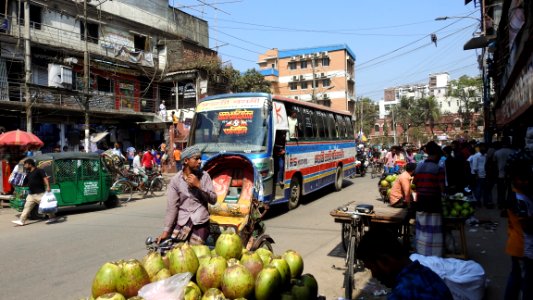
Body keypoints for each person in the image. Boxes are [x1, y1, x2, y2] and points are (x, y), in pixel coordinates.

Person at [356, 228, 453, 300]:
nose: (374, 275)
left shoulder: (403, 293)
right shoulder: (428, 274)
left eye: (372, 268)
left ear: (385, 260)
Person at [158, 146, 217, 245]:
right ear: (186, 160)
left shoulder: (204, 176)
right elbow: (172, 208)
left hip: (200, 223)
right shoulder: (175, 181)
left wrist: (199, 185)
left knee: (195, 253)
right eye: (196, 158)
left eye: (200, 158)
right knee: (173, 251)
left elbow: (213, 200)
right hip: (182, 222)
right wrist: (166, 231)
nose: (199, 161)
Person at [504, 156, 533, 300]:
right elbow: (527, 226)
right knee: (525, 281)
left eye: (527, 178)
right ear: (514, 178)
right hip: (522, 247)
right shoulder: (518, 199)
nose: (526, 182)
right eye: (522, 179)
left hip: (520, 245)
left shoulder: (521, 193)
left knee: (517, 277)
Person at [413, 141, 445, 257]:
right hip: (433, 202)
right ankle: (434, 254)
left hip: (421, 200)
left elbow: (415, 183)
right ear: (436, 155)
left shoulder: (419, 166)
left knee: (422, 228)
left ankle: (422, 252)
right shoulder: (438, 168)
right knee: (433, 228)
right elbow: (442, 188)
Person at [11, 158, 56, 226]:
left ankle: (52, 217)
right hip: (31, 195)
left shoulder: (39, 170)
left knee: (45, 207)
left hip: (40, 194)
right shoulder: (28, 173)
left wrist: (48, 187)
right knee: (27, 207)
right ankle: (21, 221)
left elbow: (45, 178)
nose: (25, 166)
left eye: (25, 164)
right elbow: (23, 183)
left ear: (30, 164)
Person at [494, 137, 516, 210]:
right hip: (511, 175)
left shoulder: (497, 152)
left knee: (501, 191)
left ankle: (501, 204)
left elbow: (494, 163)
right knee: (510, 191)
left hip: (500, 175)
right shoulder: (513, 152)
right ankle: (509, 204)